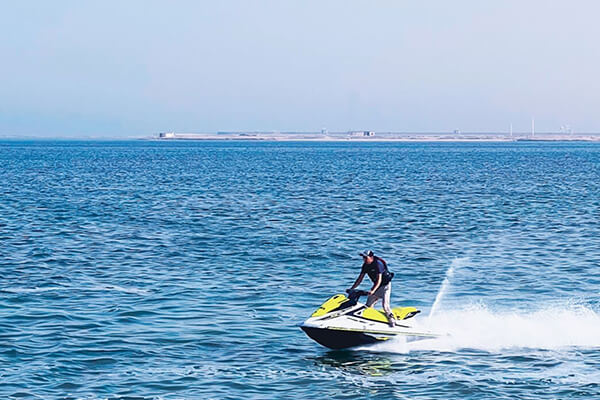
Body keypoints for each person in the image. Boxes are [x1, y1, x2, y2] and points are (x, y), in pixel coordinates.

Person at [347, 250, 396, 327]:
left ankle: (392, 322)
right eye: (363, 258)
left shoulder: (378, 264)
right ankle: (369, 322)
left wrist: (373, 290)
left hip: (385, 286)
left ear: (371, 257)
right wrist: (352, 288)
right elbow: (360, 279)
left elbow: (379, 280)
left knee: (385, 306)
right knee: (368, 306)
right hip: (376, 286)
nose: (364, 259)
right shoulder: (365, 265)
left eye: (366, 258)